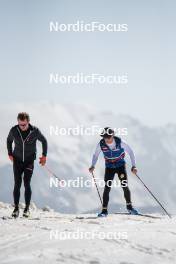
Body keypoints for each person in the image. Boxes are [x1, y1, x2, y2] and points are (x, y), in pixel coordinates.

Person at [89, 127, 138, 217]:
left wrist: (134, 166)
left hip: (120, 166)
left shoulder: (121, 142)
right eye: (104, 137)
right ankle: (104, 211)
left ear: (112, 136)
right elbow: (95, 155)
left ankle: (130, 208)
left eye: (108, 137)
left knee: (124, 185)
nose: (106, 139)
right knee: (107, 188)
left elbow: (130, 152)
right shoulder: (101, 144)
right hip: (109, 167)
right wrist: (92, 165)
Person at [7, 112, 48, 218]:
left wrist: (44, 156)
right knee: (17, 183)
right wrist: (10, 153)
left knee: (27, 183)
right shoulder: (14, 130)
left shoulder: (34, 131)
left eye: (24, 125)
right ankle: (16, 208)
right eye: (20, 124)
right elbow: (9, 140)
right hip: (17, 160)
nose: (22, 127)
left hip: (29, 161)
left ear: (28, 122)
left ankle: (26, 209)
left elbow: (44, 141)